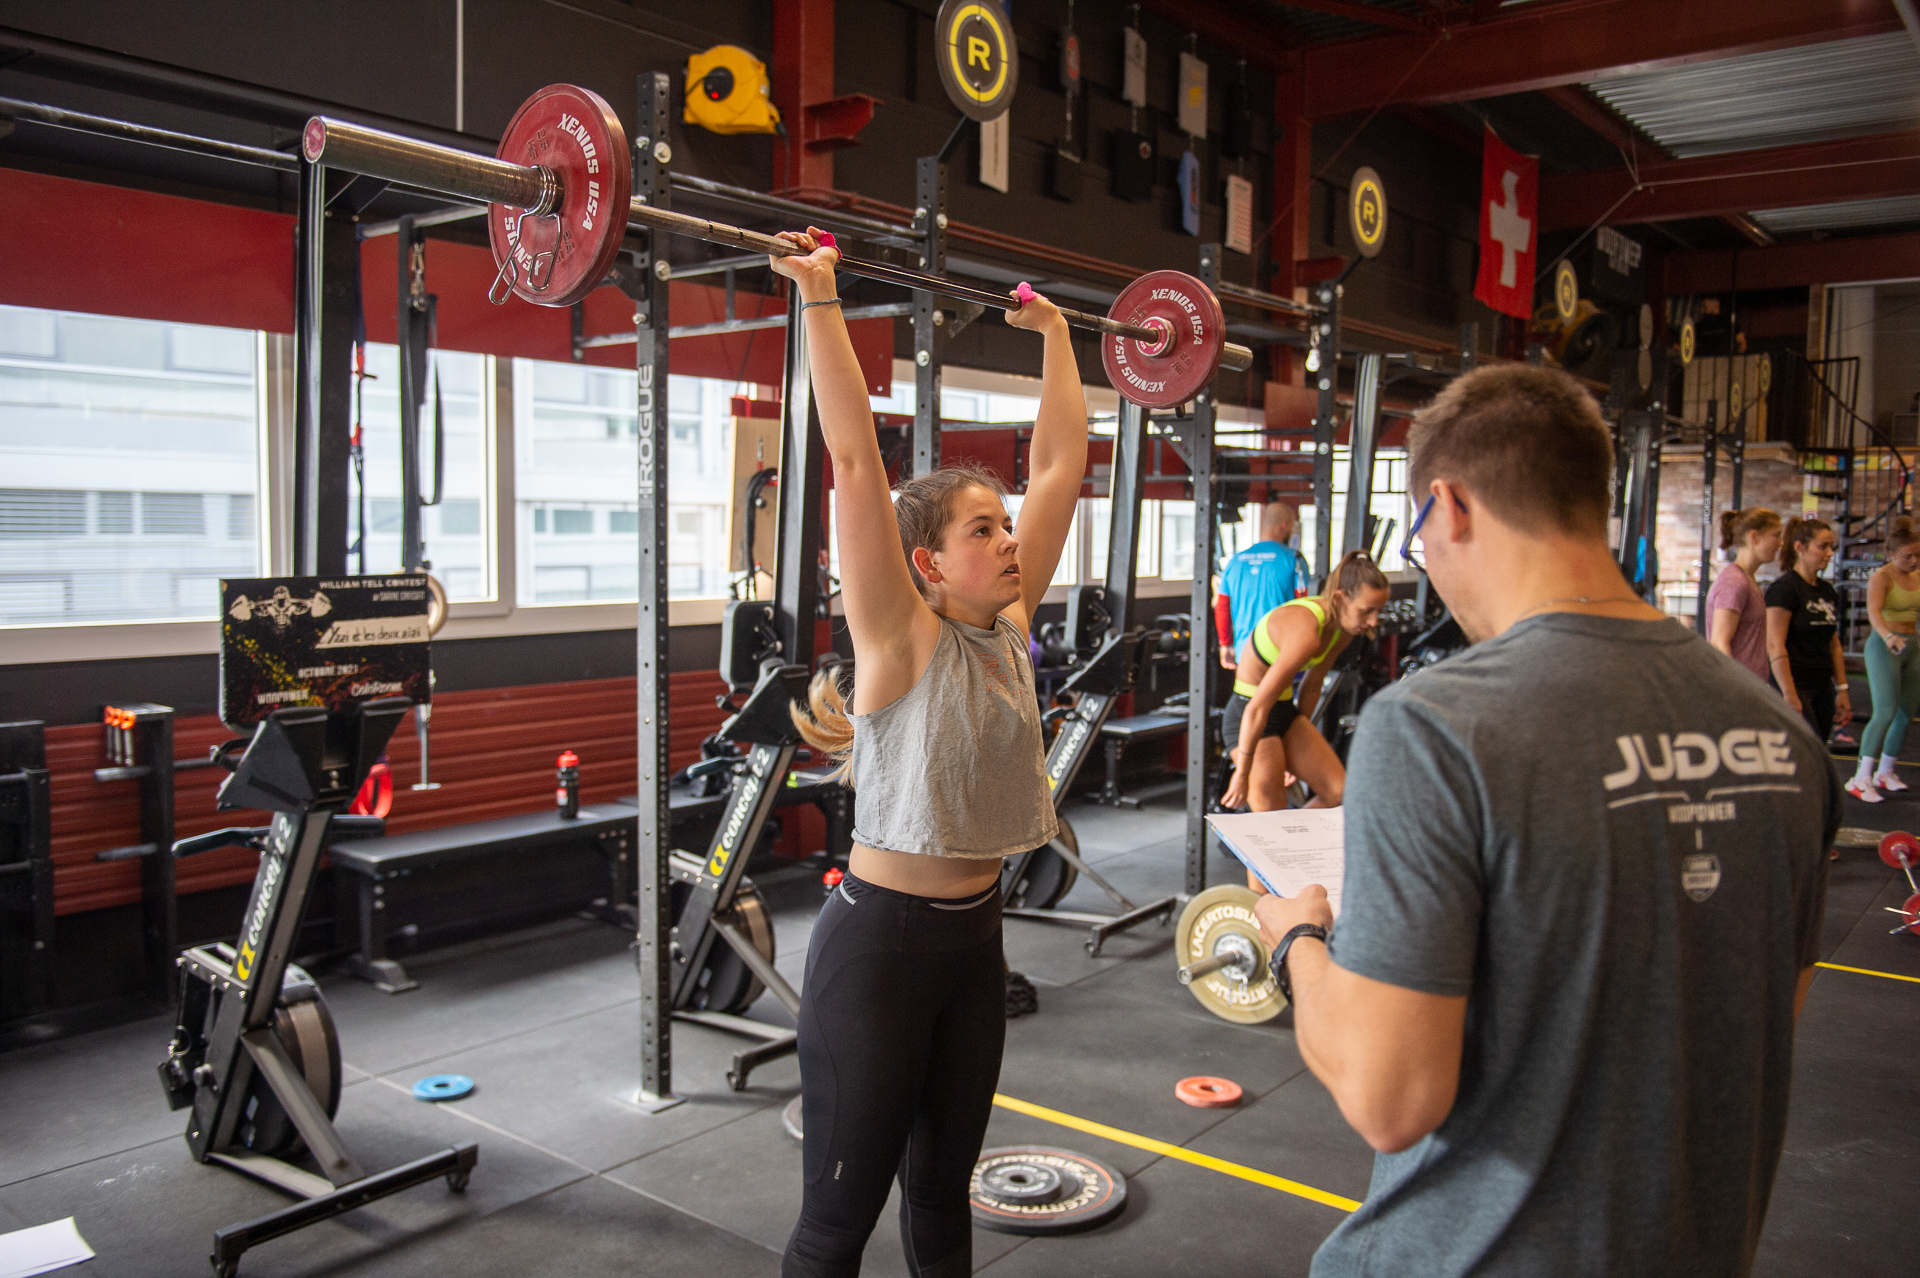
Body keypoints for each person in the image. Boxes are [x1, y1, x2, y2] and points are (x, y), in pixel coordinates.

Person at [1252, 364, 1837, 1277]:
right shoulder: (1782, 737)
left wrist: (1297, 942)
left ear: (1447, 506)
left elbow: (1388, 1095)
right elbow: (1757, 1011)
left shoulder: (1437, 724)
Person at [772, 229, 1085, 1278]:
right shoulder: (900, 639)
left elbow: (1064, 463)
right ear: (927, 562)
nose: (1007, 539)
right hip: (882, 954)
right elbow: (855, 455)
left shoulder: (1006, 624)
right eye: (982, 530)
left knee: (944, 1207)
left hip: (972, 944)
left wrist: (1055, 335)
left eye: (1007, 527)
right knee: (835, 1231)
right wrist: (820, 293)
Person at [1219, 553, 1389, 891]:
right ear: (1340, 599)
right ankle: (1261, 920)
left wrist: (1298, 738)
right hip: (1249, 713)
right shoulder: (1306, 632)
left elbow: (1312, 684)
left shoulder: (1341, 630)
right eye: (1366, 611)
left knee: (1339, 791)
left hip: (1282, 714)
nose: (1373, 621)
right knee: (1269, 825)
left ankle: (1292, 847)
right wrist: (1241, 773)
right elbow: (1256, 707)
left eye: (1378, 611)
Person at [1847, 516, 1920, 802]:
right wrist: (1889, 636)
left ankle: (1885, 773)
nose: (1914, 560)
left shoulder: (1917, 576)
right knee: (1885, 712)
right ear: (1891, 555)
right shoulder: (1881, 577)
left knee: (1906, 714)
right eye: (1907, 556)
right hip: (1884, 646)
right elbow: (1874, 612)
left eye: (1918, 555)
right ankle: (1860, 778)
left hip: (1911, 646)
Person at [1764, 518, 1850, 747]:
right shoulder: (1784, 589)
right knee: (1803, 751)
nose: (1830, 553)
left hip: (1822, 686)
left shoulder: (1827, 591)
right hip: (1795, 685)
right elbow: (1774, 645)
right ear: (1800, 548)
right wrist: (1789, 694)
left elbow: (1834, 643)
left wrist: (1841, 688)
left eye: (1832, 546)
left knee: (1819, 750)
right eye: (1823, 546)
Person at [1213, 502, 1307, 669]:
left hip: (1245, 652)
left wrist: (1225, 644)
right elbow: (1304, 603)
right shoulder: (1294, 559)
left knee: (1249, 695)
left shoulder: (1235, 562)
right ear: (1284, 526)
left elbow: (1222, 606)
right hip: (1280, 652)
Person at [1706, 506, 1781, 682]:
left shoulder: (1747, 579)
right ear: (1754, 537)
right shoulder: (1734, 582)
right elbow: (1719, 642)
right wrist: (1738, 688)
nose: (1781, 543)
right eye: (1776, 535)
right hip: (1738, 691)